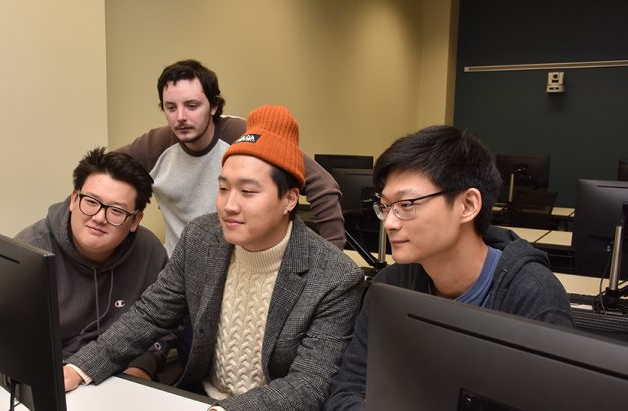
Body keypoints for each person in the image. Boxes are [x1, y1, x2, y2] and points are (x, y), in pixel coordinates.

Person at [64, 105, 364, 410]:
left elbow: (309, 383)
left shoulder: (335, 277)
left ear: (288, 199)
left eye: (247, 192)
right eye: (222, 188)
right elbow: (151, 314)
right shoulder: (201, 238)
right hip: (198, 399)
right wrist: (80, 368)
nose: (229, 205)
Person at [325, 125, 574, 410]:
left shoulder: (532, 297)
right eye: (385, 206)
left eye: (406, 204)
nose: (390, 223)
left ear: (467, 205)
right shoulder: (391, 286)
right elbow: (346, 393)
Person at [0, 148, 170, 410]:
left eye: (116, 211)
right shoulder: (28, 253)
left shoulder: (150, 253)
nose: (98, 217)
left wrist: (140, 371)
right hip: (50, 386)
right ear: (74, 199)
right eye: (90, 201)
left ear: (135, 220)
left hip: (114, 381)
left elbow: (163, 325)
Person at [116, 59, 345, 255]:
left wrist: (333, 261)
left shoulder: (245, 136)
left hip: (243, 268)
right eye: (171, 107)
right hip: (181, 273)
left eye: (192, 105)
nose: (181, 117)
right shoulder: (154, 146)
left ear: (214, 106)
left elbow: (323, 185)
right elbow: (101, 175)